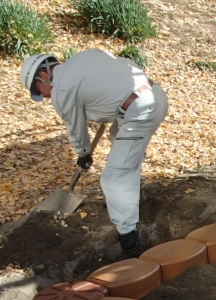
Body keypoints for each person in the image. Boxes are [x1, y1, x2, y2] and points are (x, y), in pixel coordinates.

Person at [20, 49, 168, 257]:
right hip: (154, 95)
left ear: (44, 76)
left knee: (114, 177)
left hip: (139, 111)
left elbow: (76, 128)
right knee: (121, 142)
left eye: (39, 89)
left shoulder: (61, 91)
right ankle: (135, 197)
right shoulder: (84, 58)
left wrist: (83, 154)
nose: (44, 96)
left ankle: (130, 242)